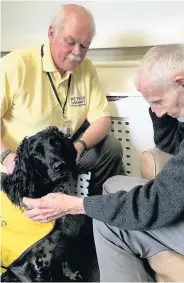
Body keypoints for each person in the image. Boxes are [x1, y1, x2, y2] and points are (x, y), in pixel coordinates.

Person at [23, 44, 184, 281]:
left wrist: (76, 205)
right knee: (114, 184)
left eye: (158, 101)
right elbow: (174, 145)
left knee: (109, 222)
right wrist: (158, 104)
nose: (157, 112)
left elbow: (157, 203)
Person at [0, 4, 123, 196]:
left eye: (84, 46)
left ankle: (95, 211)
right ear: (51, 33)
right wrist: (8, 157)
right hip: (25, 162)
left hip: (64, 152)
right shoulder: (15, 65)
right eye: (70, 42)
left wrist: (77, 147)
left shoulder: (87, 68)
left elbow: (102, 119)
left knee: (110, 147)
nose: (77, 52)